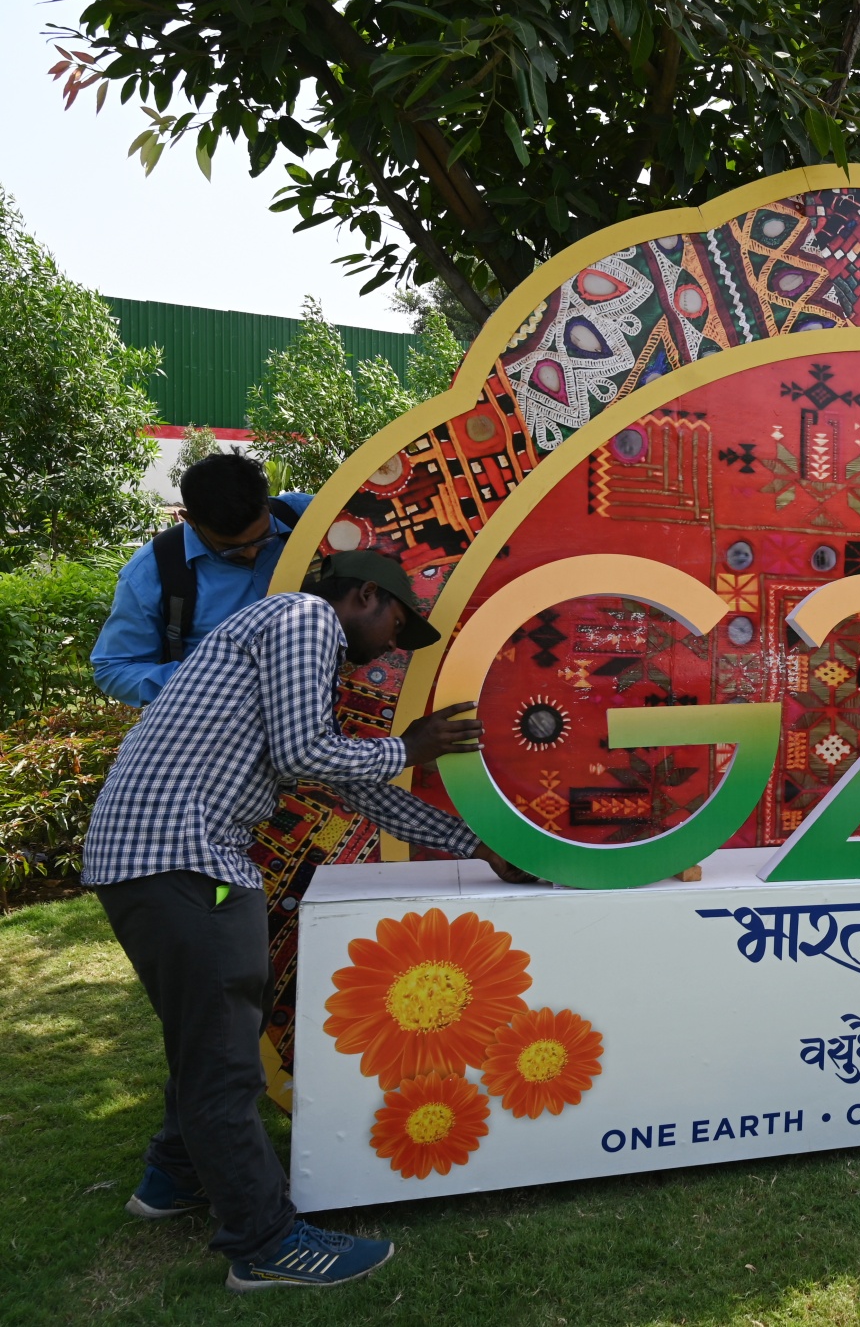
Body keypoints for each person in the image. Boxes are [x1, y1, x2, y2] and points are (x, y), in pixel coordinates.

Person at [82, 550, 537, 1293]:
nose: (393, 646)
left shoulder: (284, 639)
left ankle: (173, 1177)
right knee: (225, 1058)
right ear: (365, 595)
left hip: (170, 859)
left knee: (214, 1031)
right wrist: (410, 746)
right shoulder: (304, 618)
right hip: (180, 860)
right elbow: (307, 753)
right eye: (398, 625)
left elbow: (339, 777)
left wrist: (476, 844)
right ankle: (265, 1242)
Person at [93, 450, 314, 706]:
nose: (251, 553)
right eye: (230, 548)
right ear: (189, 520)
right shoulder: (154, 570)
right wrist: (202, 683)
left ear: (266, 502)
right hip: (223, 715)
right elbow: (115, 667)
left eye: (264, 537)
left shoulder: (310, 517)